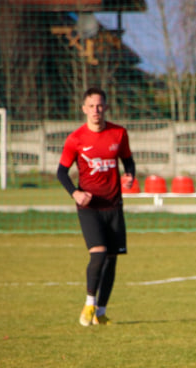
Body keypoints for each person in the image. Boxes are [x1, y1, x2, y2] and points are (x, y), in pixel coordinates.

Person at [57, 87, 135, 327]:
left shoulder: (119, 134)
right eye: (91, 106)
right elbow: (61, 172)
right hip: (90, 207)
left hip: (113, 205)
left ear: (106, 107)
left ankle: (101, 312)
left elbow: (128, 160)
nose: (96, 110)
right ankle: (89, 304)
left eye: (100, 105)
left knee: (111, 260)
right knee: (98, 254)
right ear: (84, 109)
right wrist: (75, 193)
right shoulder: (76, 138)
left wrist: (130, 175)